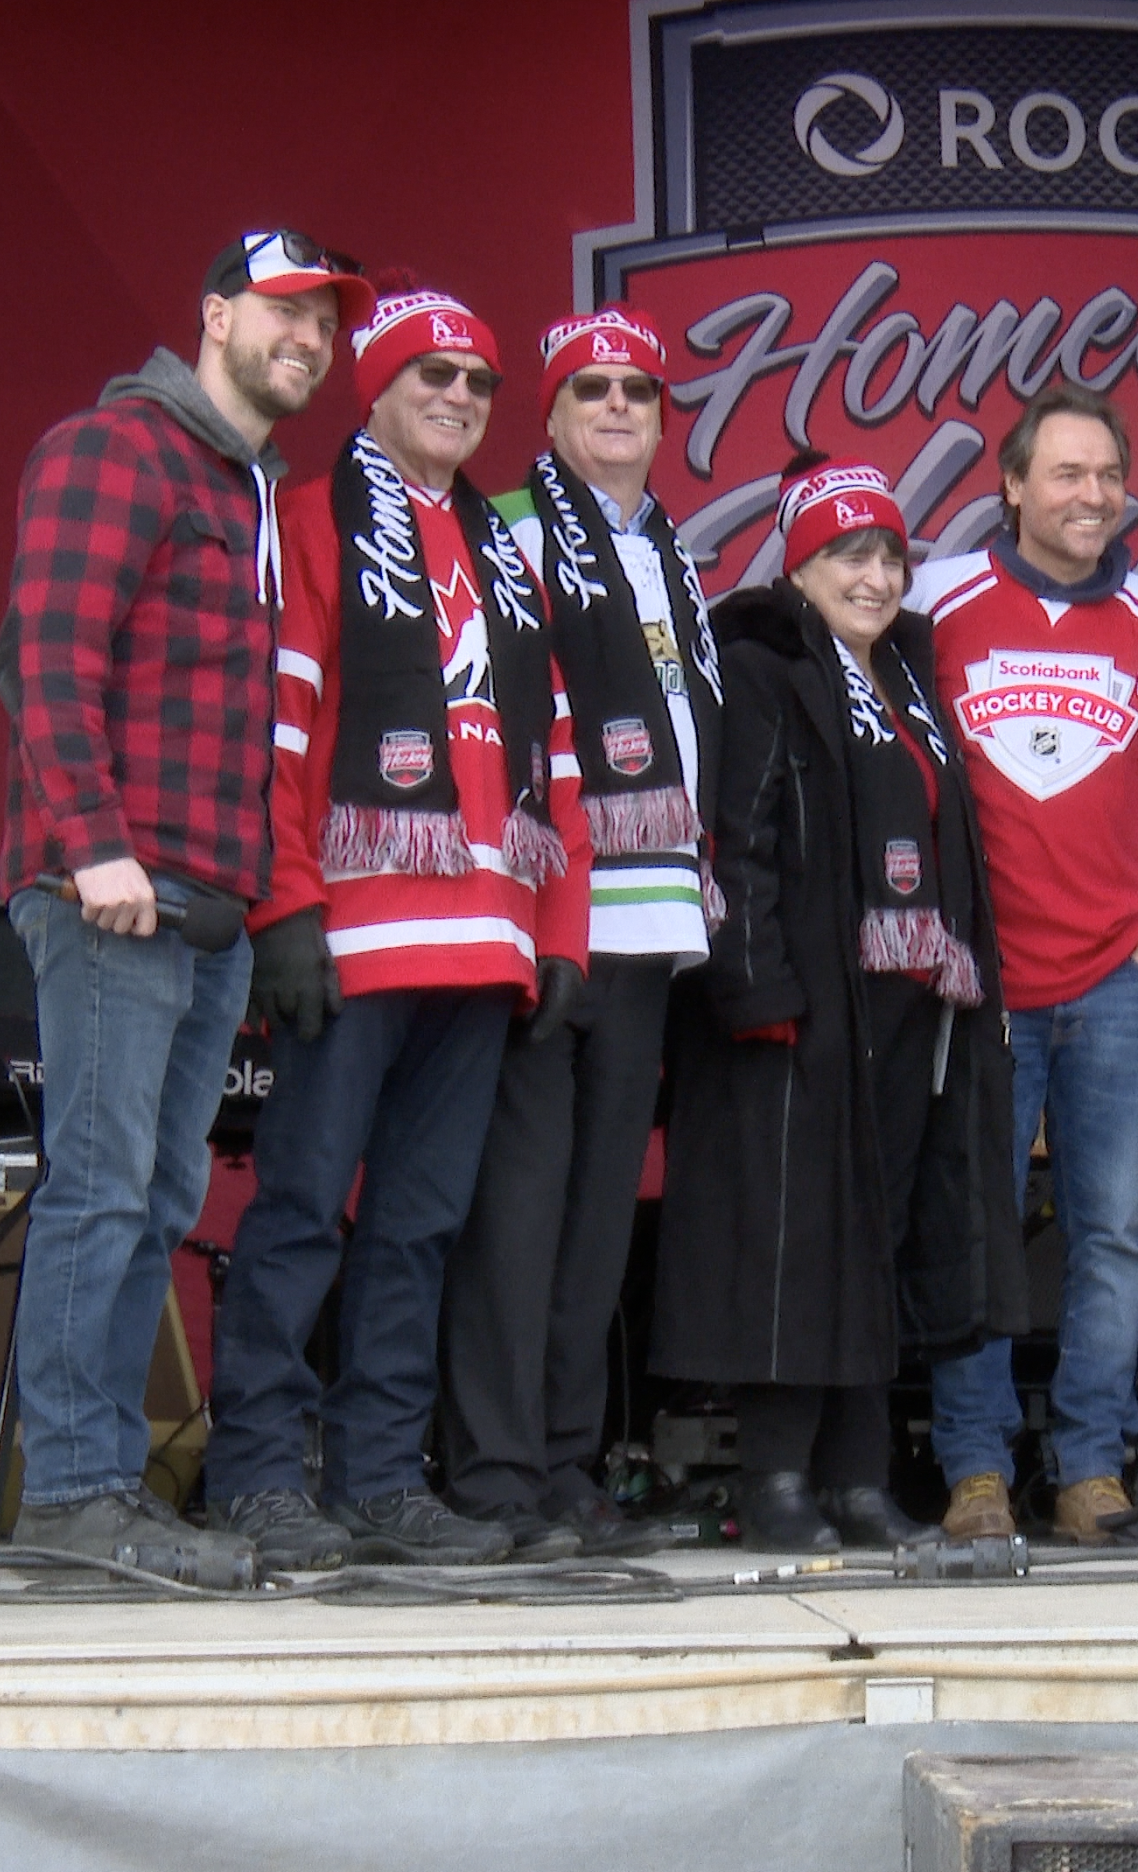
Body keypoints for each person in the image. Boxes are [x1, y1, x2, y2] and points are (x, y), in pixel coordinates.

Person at [205, 283, 592, 1570]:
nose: (457, 398)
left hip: (485, 945)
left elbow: (565, 764)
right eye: (430, 374)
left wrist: (564, 931)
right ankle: (258, 1471)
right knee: (305, 1208)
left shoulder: (510, 549)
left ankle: (378, 1477)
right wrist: (286, 908)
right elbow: (276, 731)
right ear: (372, 387)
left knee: (421, 1225)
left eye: (478, 382)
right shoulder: (313, 522)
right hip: (355, 940)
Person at [0, 231, 366, 1571]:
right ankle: (73, 1497)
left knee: (154, 1199)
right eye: (284, 312)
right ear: (214, 315)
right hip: (117, 890)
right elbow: (46, 657)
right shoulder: (114, 449)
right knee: (100, 1191)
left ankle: (96, 1492)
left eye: (324, 326)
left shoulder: (254, 488)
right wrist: (96, 849)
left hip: (207, 901)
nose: (308, 341)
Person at [653, 460, 1022, 1553]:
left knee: (880, 1239)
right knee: (794, 1246)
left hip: (907, 1005)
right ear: (798, 566)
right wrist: (757, 986)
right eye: (846, 555)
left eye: (888, 555)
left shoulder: (908, 674)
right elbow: (736, 835)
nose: (873, 576)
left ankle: (860, 1477)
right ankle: (774, 1479)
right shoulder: (765, 665)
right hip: (803, 1003)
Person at [914, 384, 1138, 1544]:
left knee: (1107, 1233)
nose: (1090, 496)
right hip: (983, 982)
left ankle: (1090, 1465)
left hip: (1116, 979)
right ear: (1011, 485)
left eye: (1106, 476)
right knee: (978, 1230)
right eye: (1064, 474)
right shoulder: (939, 599)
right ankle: (976, 1470)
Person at [438, 308, 717, 1561]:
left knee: (601, 1211)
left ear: (664, 421)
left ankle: (563, 1463)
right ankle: (493, 1470)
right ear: (547, 416)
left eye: (639, 392)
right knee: (520, 1204)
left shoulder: (672, 551)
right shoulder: (499, 526)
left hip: (652, 917)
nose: (617, 409)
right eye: (590, 390)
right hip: (548, 909)